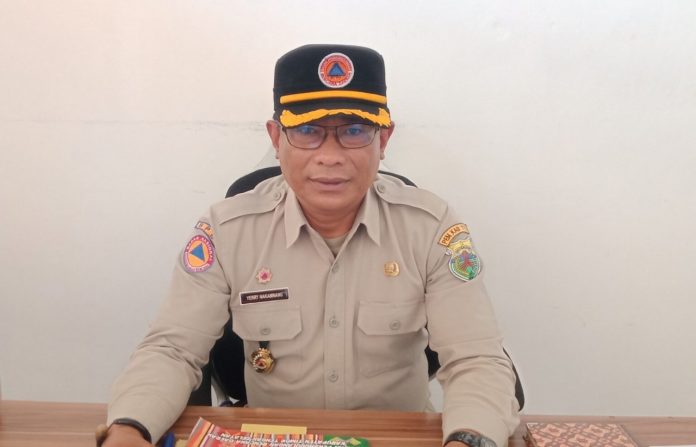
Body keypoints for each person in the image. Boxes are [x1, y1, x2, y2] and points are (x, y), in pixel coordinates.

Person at [101, 44, 520, 447]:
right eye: (307, 131)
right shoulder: (227, 231)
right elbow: (173, 350)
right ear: (276, 138)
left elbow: (476, 359)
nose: (330, 156)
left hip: (395, 437)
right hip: (271, 438)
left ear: (383, 140)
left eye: (354, 131)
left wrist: (469, 439)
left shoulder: (430, 228)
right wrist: (129, 429)